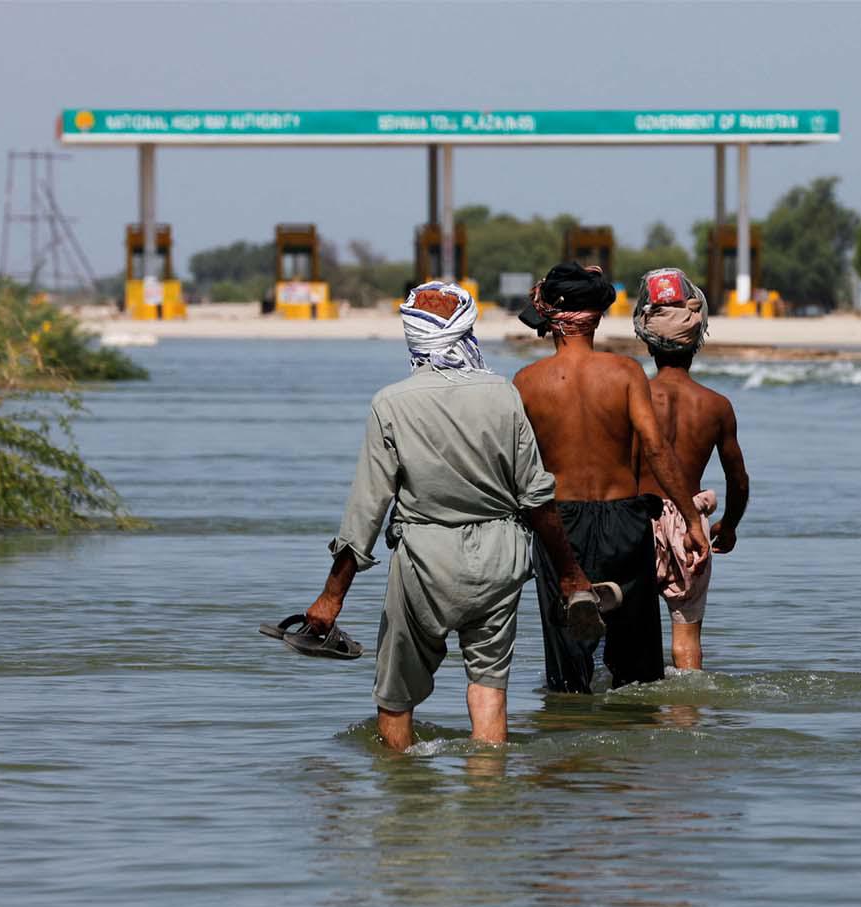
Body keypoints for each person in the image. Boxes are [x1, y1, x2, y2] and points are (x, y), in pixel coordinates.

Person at [303, 282, 600, 752]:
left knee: (396, 697)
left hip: (425, 559)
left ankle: (404, 802)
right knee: (488, 689)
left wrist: (330, 598)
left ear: (413, 339)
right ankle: (487, 804)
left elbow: (367, 510)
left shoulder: (391, 403)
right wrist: (571, 575)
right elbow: (537, 498)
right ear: (466, 332)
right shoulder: (503, 395)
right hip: (502, 557)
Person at [513, 263, 710, 694]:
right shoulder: (625, 373)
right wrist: (693, 522)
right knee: (637, 673)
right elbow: (657, 451)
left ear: (552, 320)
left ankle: (569, 744)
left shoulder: (526, 382)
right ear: (598, 317)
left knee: (568, 675)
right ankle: (630, 752)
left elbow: (517, 469)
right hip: (623, 523)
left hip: (559, 525)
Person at [633, 267, 750, 671]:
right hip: (689, 524)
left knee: (626, 634)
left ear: (646, 340)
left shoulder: (634, 396)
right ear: (697, 341)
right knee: (687, 639)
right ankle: (687, 718)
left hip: (636, 519)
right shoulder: (715, 405)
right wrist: (729, 524)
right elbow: (738, 478)